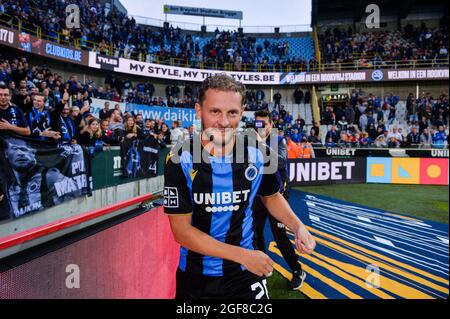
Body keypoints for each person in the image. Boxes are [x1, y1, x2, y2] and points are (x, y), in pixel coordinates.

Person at [164, 74, 315, 299]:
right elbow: (182, 232)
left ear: (242, 112)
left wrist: (297, 225)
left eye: (232, 112)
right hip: (196, 277)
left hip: (245, 275)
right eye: (215, 111)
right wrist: (242, 255)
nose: (224, 122)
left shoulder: (258, 152)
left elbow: (271, 196)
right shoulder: (179, 158)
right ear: (198, 110)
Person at [252, 109, 306, 290]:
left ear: (271, 125)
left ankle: (297, 270)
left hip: (278, 197)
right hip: (258, 197)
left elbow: (281, 162)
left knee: (279, 236)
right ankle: (262, 269)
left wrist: (261, 145)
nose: (260, 128)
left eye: (264, 124)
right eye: (257, 124)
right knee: (256, 233)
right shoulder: (250, 142)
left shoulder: (278, 140)